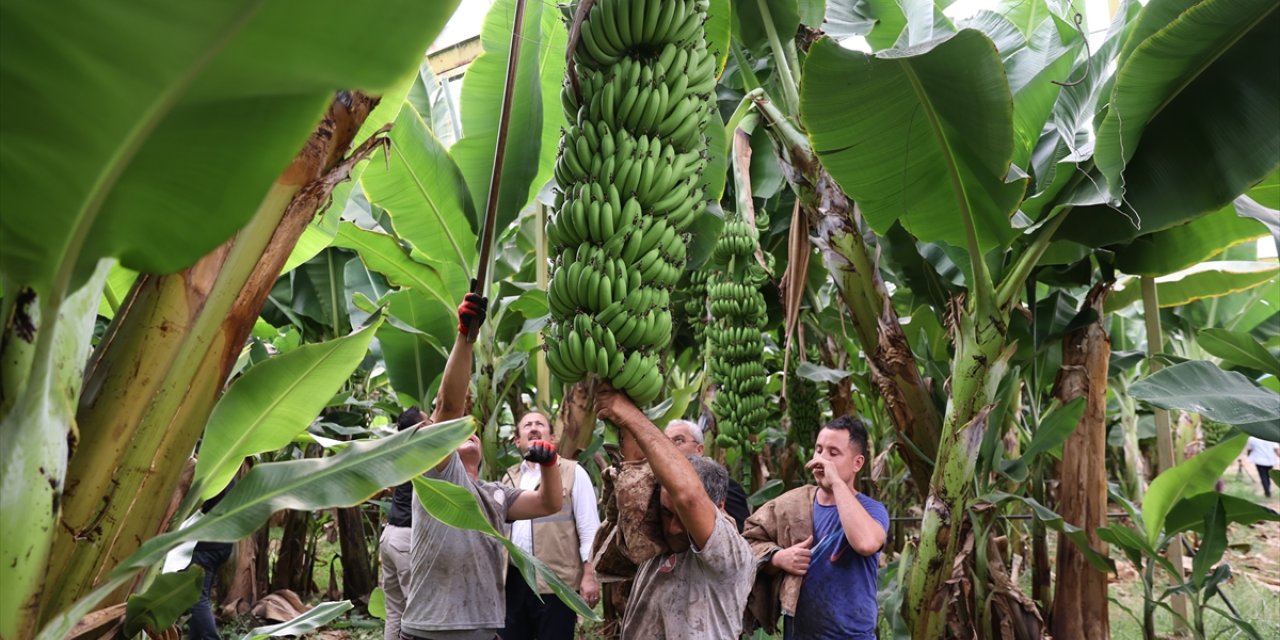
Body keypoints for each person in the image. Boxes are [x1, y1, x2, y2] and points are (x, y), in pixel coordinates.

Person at [402, 293, 565, 640]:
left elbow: (549, 503)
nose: (468, 431)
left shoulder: (495, 493)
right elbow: (448, 406)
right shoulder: (437, 473)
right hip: (430, 628)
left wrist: (550, 463)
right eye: (456, 430)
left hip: (483, 628)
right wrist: (465, 337)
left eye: (472, 431)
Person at [595, 384, 756, 639]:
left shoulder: (729, 552)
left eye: (684, 519)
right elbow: (637, 471)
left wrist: (628, 412)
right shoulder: (657, 541)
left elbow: (690, 497)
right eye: (667, 513)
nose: (672, 528)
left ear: (719, 508)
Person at [743, 416, 889, 639]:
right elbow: (749, 543)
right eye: (818, 450)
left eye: (833, 453)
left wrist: (837, 483)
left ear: (857, 463)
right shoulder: (791, 505)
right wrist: (778, 558)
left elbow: (866, 543)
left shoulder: (871, 511)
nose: (822, 459)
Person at [500, 411, 601, 640]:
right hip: (515, 581)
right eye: (527, 425)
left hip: (557, 582)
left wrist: (589, 575)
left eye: (540, 424)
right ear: (518, 440)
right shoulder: (510, 478)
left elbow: (589, 530)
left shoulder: (574, 472)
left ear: (552, 437)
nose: (534, 428)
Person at [380, 407, 427, 640]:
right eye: (428, 420)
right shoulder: (423, 454)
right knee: (415, 610)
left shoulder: (402, 453)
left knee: (394, 611)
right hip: (406, 539)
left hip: (389, 537)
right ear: (420, 428)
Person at [665, 419, 751, 531]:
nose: (670, 447)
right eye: (665, 442)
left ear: (699, 450)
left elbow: (741, 532)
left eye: (679, 440)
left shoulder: (719, 483)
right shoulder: (656, 483)